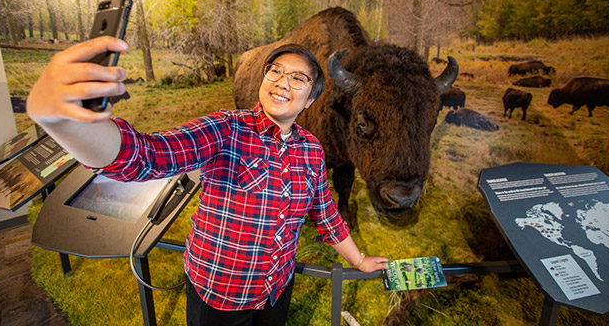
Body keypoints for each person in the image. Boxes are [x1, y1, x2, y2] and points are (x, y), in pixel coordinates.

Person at [27, 36, 389, 325]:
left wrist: (358, 261)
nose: (282, 82)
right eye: (275, 71)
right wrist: (67, 123)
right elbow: (148, 156)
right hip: (220, 293)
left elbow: (325, 215)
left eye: (298, 78)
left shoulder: (311, 149)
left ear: (310, 99)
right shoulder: (226, 128)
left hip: (276, 289)